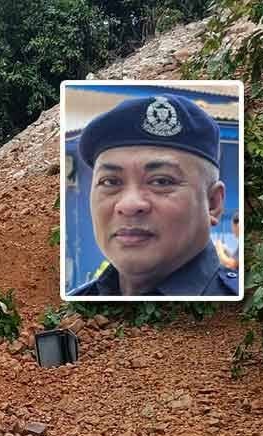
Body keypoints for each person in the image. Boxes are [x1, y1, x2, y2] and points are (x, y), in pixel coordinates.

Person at [69, 94, 239, 297]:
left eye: (161, 181)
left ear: (212, 203)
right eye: (110, 182)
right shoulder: (76, 305)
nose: (129, 205)